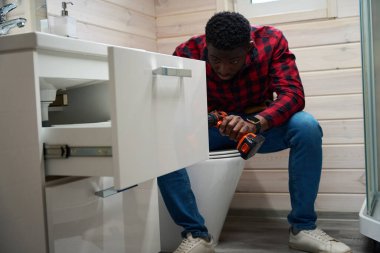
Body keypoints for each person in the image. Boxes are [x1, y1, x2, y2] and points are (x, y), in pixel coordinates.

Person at [157, 11, 352, 253]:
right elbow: (173, 105)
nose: (224, 69)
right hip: (211, 129)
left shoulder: (271, 41)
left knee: (306, 126)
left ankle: (303, 229)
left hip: (257, 126)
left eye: (234, 61)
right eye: (216, 59)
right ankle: (196, 235)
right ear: (207, 46)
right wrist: (207, 119)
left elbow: (293, 94)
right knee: (162, 138)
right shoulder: (187, 52)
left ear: (249, 47)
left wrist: (257, 122)